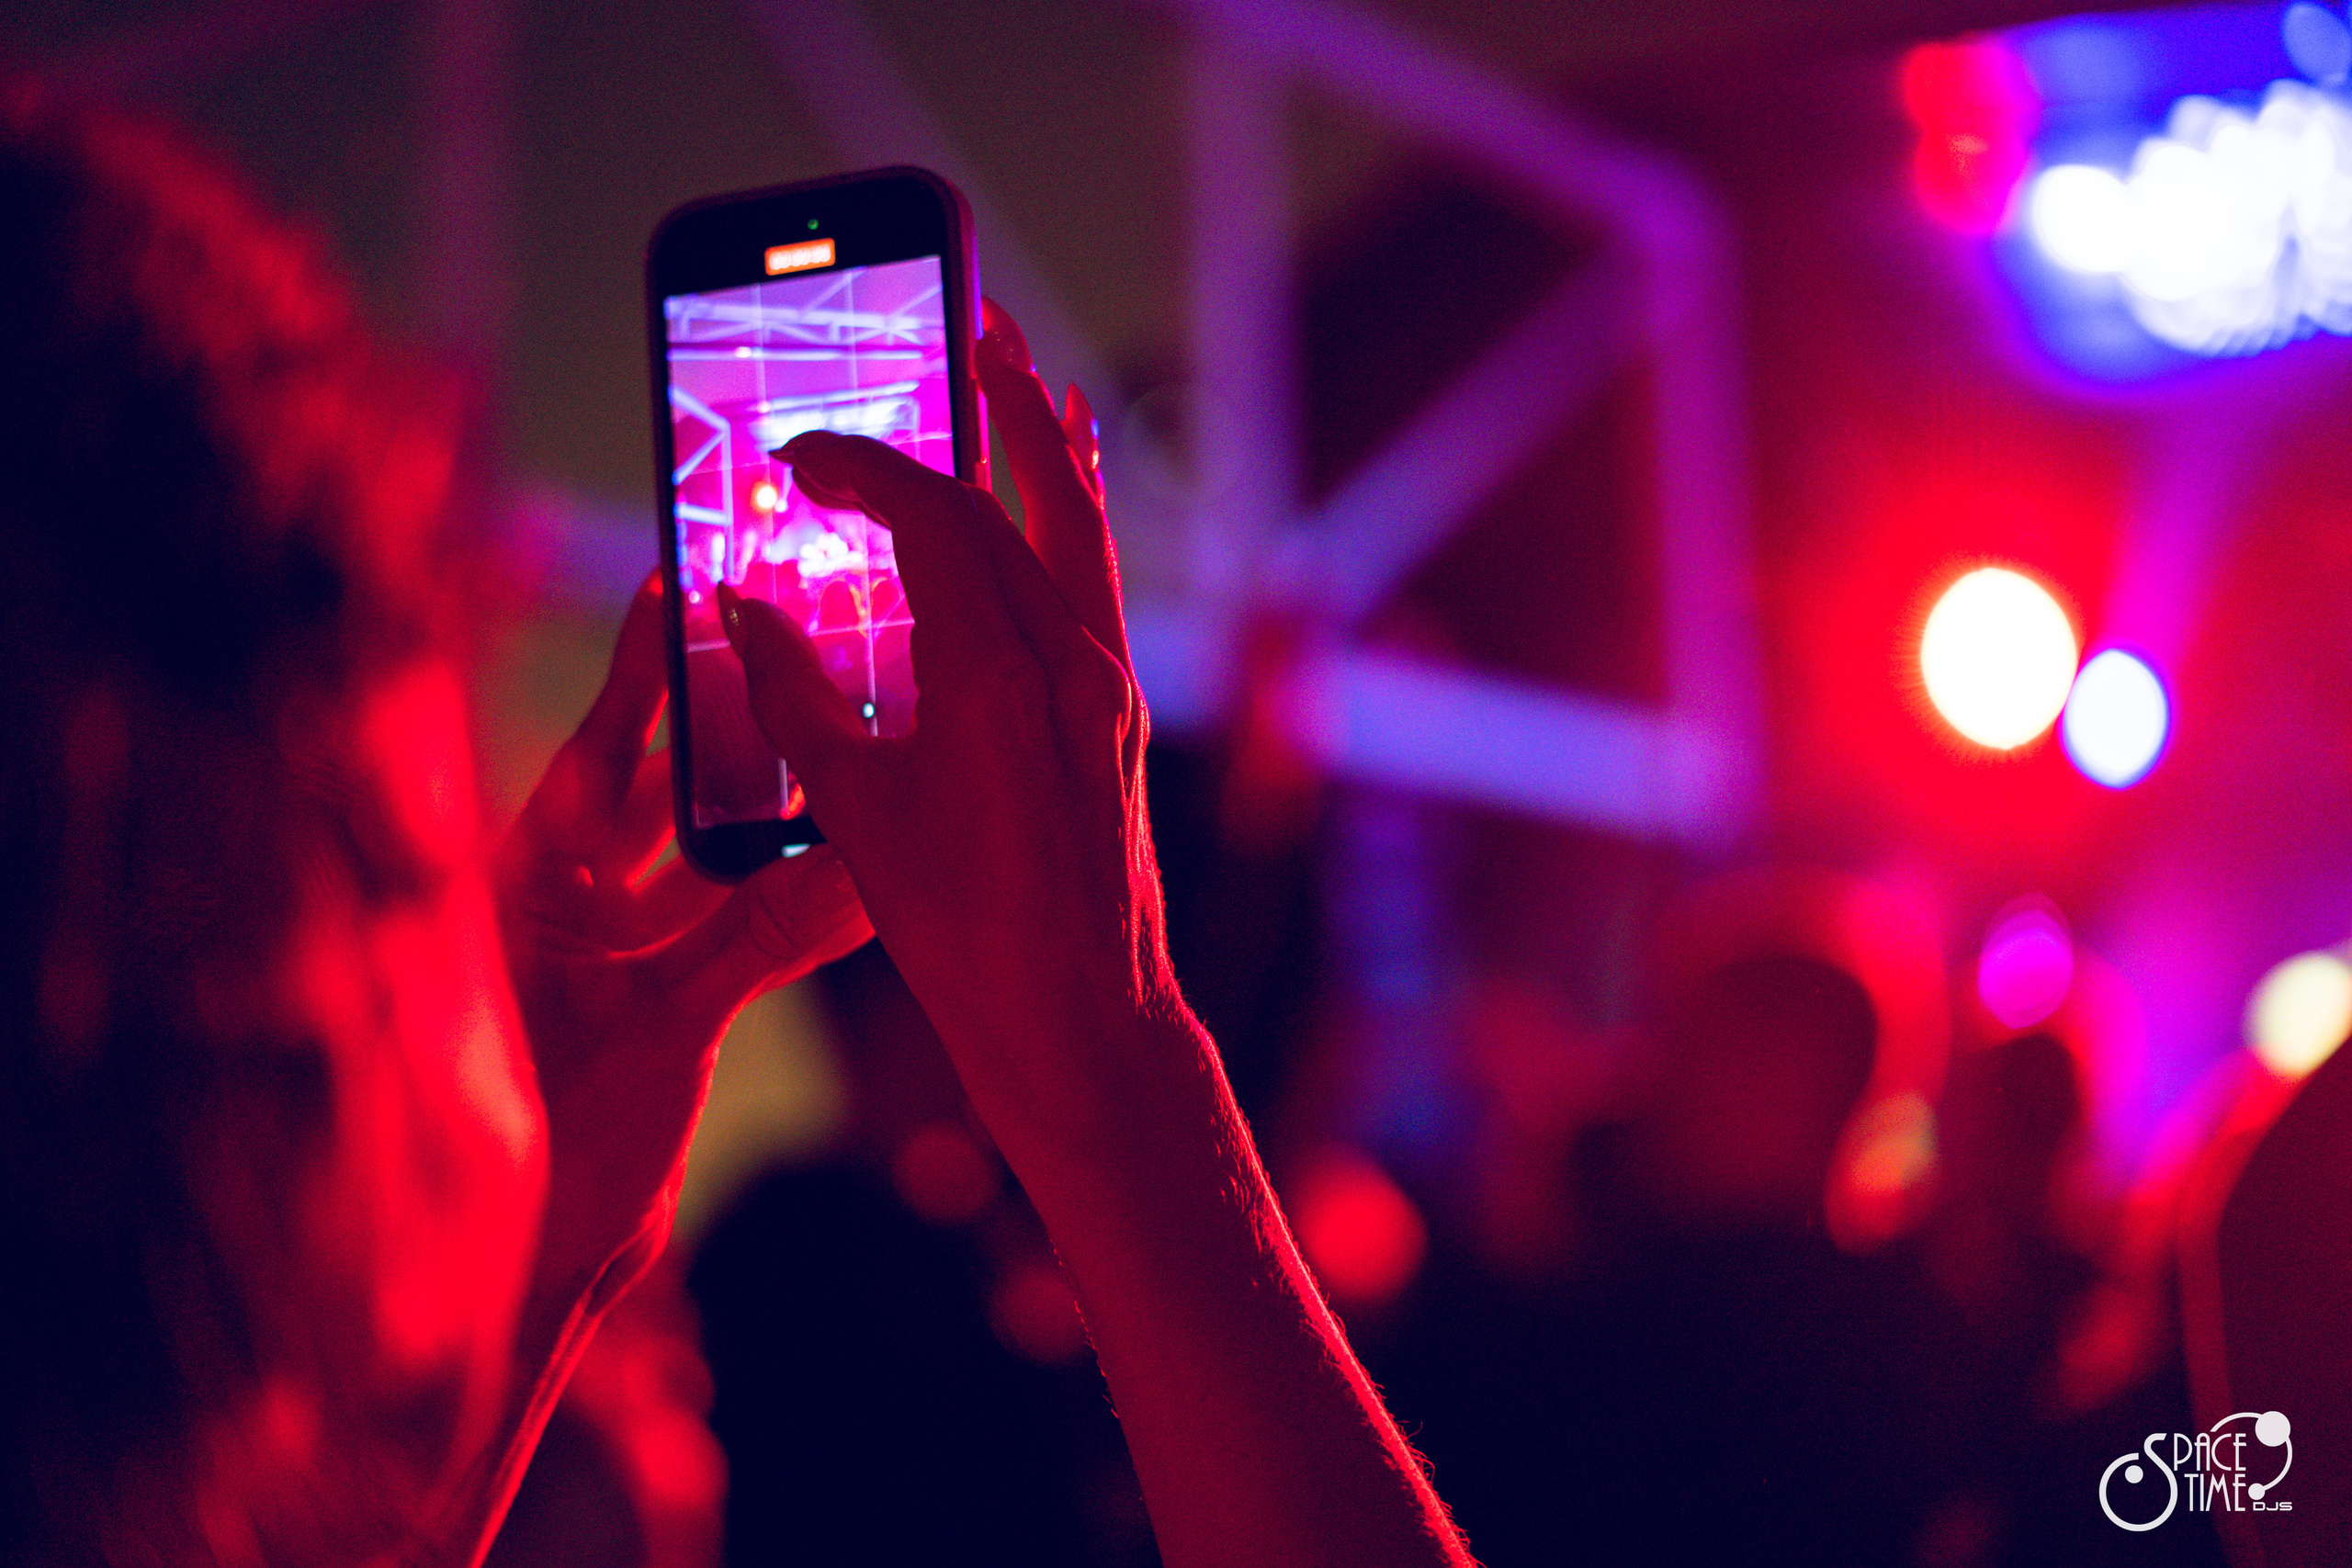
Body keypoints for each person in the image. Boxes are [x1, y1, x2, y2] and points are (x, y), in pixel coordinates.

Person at [0, 83, 1472, 1568]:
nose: (485, 975)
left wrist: (545, 1269)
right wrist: (1115, 1061)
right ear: (237, 1027)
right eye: (411, 876)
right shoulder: (836, 1259)